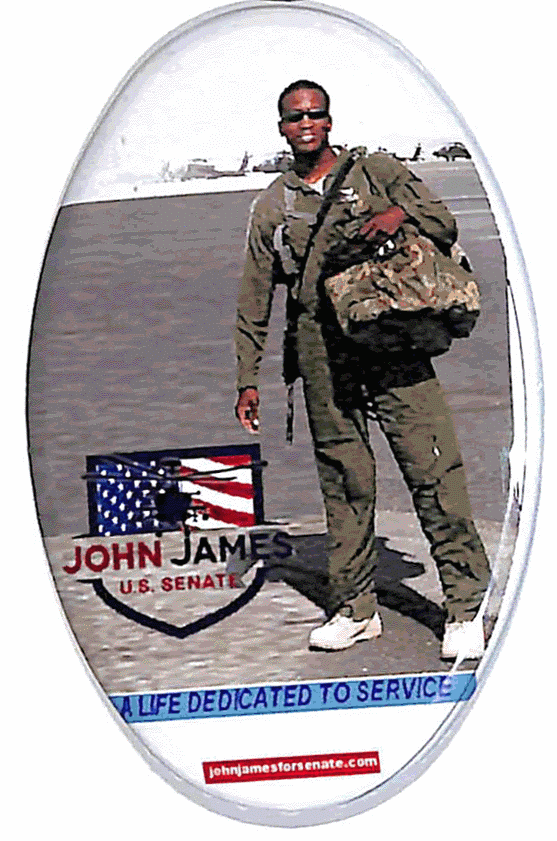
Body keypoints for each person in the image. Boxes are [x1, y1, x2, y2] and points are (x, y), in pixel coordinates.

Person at [234, 80, 490, 658]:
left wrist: (399, 213)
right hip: (321, 351)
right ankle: (355, 607)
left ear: (329, 121)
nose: (306, 124)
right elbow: (255, 295)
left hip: (392, 339)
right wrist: (247, 377)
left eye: (315, 114)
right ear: (282, 128)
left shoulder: (375, 171)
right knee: (344, 481)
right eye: (295, 117)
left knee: (433, 469)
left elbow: (443, 221)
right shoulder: (272, 206)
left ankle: (465, 605)